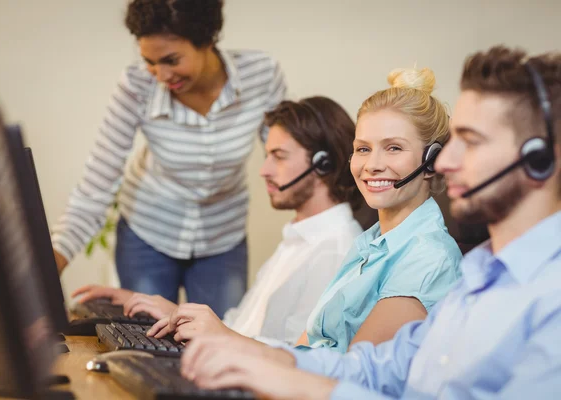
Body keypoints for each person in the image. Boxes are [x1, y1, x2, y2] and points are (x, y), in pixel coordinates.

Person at [179, 45, 561, 400]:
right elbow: (378, 368)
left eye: (472, 142)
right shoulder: (479, 272)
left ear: (539, 158)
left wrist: (278, 373)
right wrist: (260, 359)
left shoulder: (545, 296)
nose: (443, 163)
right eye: (363, 149)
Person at [146, 67, 462, 352]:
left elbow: (353, 373)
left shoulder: (427, 258)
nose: (372, 165)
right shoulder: (369, 246)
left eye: (393, 148)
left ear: (433, 161)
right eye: (363, 149)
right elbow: (305, 350)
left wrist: (225, 339)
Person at [51, 0, 287, 318]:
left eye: (171, 60)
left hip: (223, 236)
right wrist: (47, 268)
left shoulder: (261, 74)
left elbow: (287, 156)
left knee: (222, 339)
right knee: (145, 342)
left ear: (206, 40)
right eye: (150, 61)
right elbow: (98, 183)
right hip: (148, 233)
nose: (161, 74)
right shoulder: (137, 84)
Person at [73, 96, 364, 344]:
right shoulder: (298, 241)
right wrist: (171, 310)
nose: (264, 170)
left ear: (323, 164)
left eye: (279, 156)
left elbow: (299, 359)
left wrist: (210, 332)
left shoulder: (334, 251)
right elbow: (239, 326)